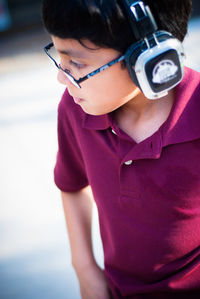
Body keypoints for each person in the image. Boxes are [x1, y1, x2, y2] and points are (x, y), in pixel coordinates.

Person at [42, 0, 200, 298]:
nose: (62, 78)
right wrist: (85, 269)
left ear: (151, 58)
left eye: (76, 64)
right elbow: (72, 184)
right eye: (59, 59)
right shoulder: (76, 110)